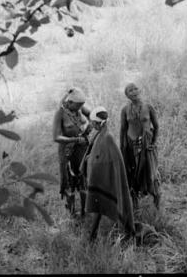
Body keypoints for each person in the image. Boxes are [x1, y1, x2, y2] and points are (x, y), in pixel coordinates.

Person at [81, 106, 135, 241]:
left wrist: (94, 161)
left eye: (92, 123)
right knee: (99, 205)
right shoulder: (100, 134)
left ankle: (120, 233)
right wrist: (90, 158)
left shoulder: (108, 137)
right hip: (100, 176)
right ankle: (93, 235)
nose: (91, 125)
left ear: (98, 123)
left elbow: (115, 160)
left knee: (106, 203)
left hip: (107, 178)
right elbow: (98, 153)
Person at [120, 83, 161, 209]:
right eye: (130, 90)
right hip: (131, 146)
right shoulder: (125, 110)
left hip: (146, 146)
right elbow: (123, 129)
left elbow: (156, 126)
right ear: (127, 95)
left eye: (135, 89)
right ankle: (135, 205)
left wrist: (153, 143)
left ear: (140, 90)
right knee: (132, 173)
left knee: (151, 173)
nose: (133, 92)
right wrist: (122, 146)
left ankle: (156, 205)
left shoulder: (148, 107)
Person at [52, 87, 91, 217]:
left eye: (81, 105)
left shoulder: (79, 108)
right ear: (69, 103)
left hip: (81, 149)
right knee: (69, 181)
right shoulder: (60, 113)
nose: (80, 108)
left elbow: (92, 115)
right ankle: (72, 214)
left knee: (83, 178)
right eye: (77, 105)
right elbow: (56, 137)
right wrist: (74, 139)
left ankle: (85, 212)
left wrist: (90, 126)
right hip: (67, 151)